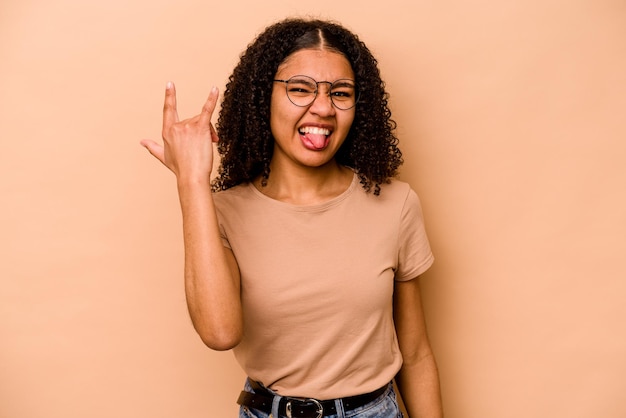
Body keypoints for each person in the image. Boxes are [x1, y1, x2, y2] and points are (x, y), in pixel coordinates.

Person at [141, 17, 443, 418]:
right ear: (264, 97)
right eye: (300, 89)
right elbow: (219, 332)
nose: (323, 107)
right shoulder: (224, 213)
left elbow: (417, 354)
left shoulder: (396, 203)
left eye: (341, 92)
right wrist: (191, 181)